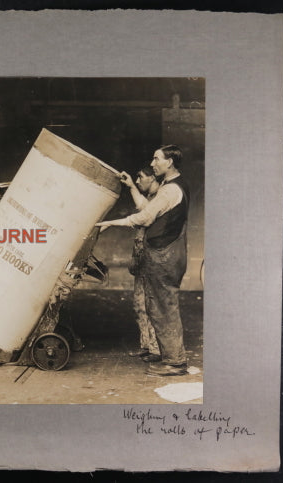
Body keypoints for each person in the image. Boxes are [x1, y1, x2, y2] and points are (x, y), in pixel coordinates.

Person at [95, 145, 190, 376]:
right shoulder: (173, 186)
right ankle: (170, 357)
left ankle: (175, 362)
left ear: (169, 162)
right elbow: (150, 209)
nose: (153, 162)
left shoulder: (169, 190)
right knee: (159, 306)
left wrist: (110, 223)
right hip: (168, 253)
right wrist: (131, 187)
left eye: (157, 159)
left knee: (163, 307)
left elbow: (145, 218)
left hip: (163, 255)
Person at [124, 166, 161, 363]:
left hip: (152, 261)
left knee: (151, 305)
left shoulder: (161, 197)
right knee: (139, 304)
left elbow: (144, 210)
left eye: (141, 177)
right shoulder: (152, 198)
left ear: (152, 178)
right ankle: (146, 345)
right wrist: (131, 185)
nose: (139, 181)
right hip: (141, 261)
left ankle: (156, 350)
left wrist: (131, 187)